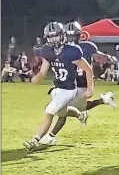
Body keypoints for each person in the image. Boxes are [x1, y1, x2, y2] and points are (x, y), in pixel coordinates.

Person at [39, 21, 116, 146]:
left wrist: (107, 59)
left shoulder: (84, 48)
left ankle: (51, 136)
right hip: (69, 83)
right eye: (68, 36)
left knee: (64, 110)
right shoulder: (69, 48)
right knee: (70, 108)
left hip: (80, 83)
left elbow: (96, 58)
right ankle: (99, 103)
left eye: (72, 36)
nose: (70, 39)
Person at [23, 22, 94, 151]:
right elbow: (44, 71)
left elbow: (88, 70)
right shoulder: (47, 50)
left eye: (56, 36)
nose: (53, 40)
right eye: (50, 37)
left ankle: (35, 139)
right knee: (62, 111)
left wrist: (90, 88)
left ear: (62, 35)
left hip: (68, 89)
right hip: (57, 88)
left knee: (49, 112)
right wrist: (37, 78)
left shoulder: (72, 51)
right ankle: (81, 115)